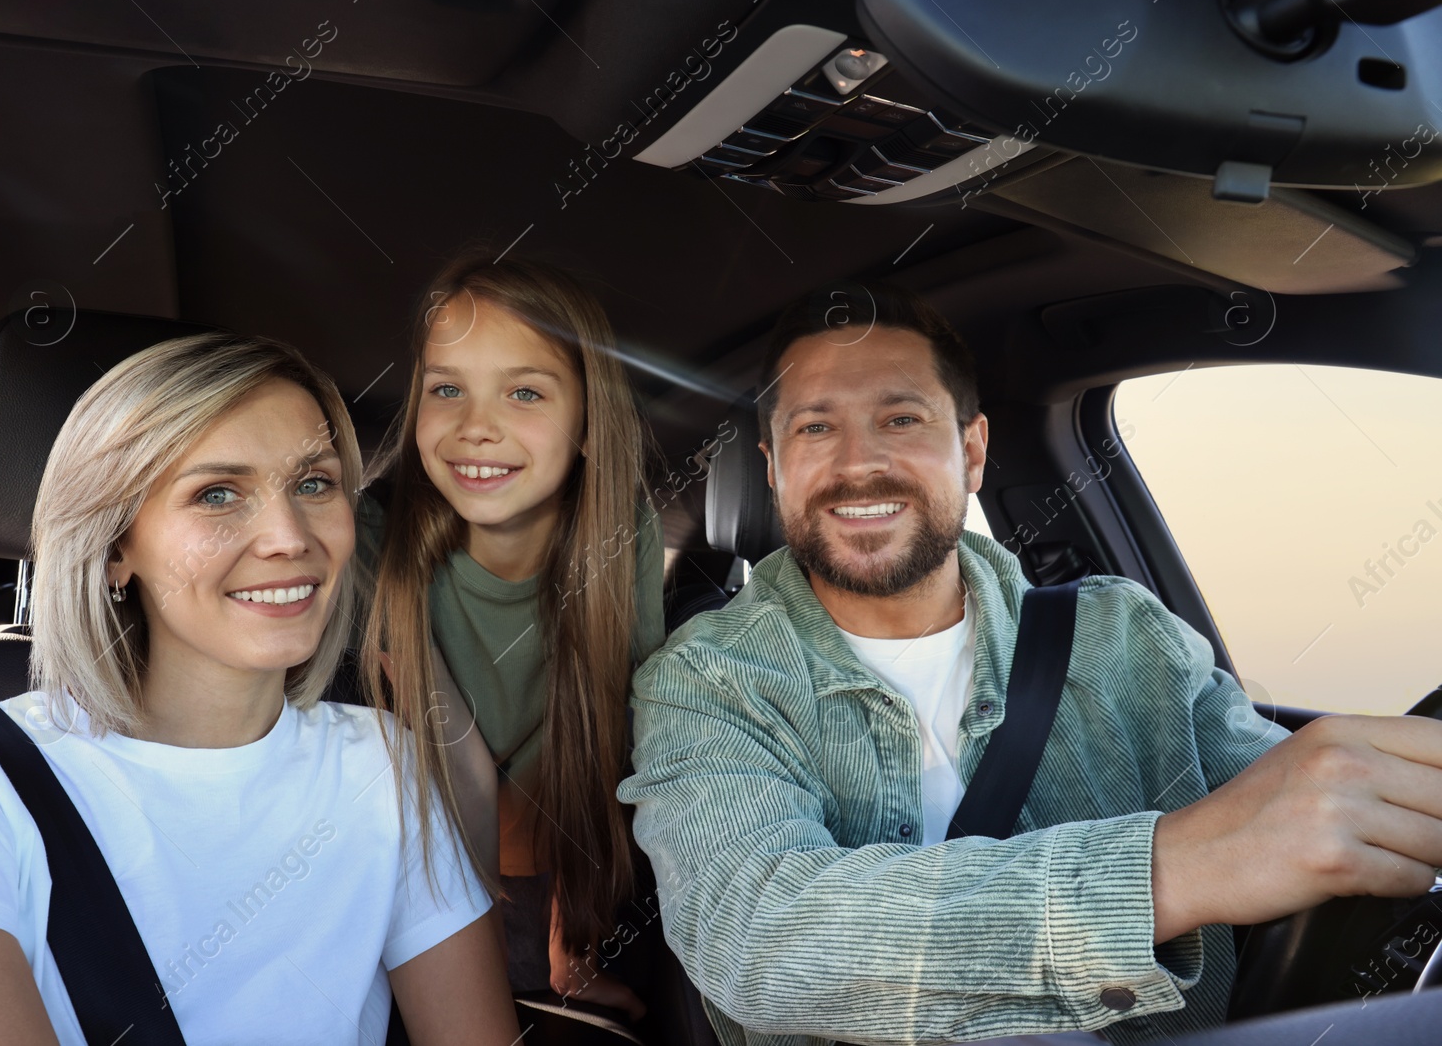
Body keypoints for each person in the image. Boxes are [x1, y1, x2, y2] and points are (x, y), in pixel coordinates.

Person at [616, 282, 1442, 1045]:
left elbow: (1288, 815)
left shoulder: (1125, 635)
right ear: (773, 468)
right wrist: (1169, 867)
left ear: (972, 451)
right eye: (815, 426)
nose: (858, 462)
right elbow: (762, 933)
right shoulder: (707, 681)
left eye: (901, 419)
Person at [0, 334, 520, 1045]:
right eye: (217, 493)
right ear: (113, 549)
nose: (289, 536)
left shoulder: (387, 764)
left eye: (313, 483)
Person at [354, 254, 666, 1022]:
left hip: (566, 881)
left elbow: (617, 740)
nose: (476, 427)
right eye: (446, 389)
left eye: (523, 391)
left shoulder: (620, 538)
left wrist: (575, 945)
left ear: (589, 425)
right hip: (411, 886)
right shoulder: (376, 542)